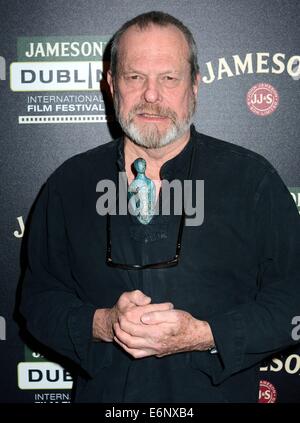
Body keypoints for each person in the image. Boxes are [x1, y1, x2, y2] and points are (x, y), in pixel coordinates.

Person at [20, 11, 300, 403]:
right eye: (135, 77)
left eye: (169, 78)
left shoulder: (252, 180)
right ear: (112, 85)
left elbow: (293, 300)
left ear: (195, 86)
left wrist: (205, 335)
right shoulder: (70, 184)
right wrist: (102, 324)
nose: (152, 94)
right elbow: (38, 301)